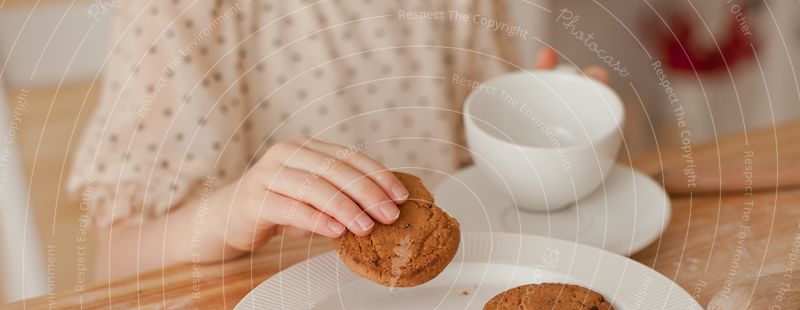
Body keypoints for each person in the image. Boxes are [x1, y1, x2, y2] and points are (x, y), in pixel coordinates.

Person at [69, 1, 607, 279]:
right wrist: (232, 213)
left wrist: (538, 139)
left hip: (453, 296)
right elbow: (116, 264)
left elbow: (481, 174)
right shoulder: (182, 14)